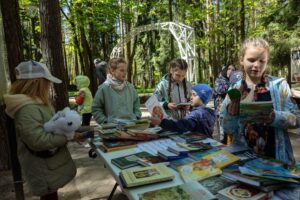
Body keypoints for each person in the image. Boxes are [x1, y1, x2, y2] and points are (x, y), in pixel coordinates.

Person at [4, 60, 80, 200]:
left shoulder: (36, 103)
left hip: (50, 165)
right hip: (43, 168)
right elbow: (38, 141)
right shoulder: (26, 109)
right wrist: (68, 137)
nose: (49, 86)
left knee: (51, 195)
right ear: (37, 83)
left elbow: (51, 126)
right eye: (47, 82)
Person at [220, 38, 299, 166]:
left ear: (267, 62)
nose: (256, 65)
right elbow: (227, 128)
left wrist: (275, 117)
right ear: (241, 59)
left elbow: (297, 119)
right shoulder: (234, 90)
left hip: (276, 160)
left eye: (262, 61)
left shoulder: (279, 86)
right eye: (251, 60)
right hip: (244, 161)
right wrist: (231, 115)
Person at [151, 84, 217, 138]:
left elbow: (181, 126)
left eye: (194, 95)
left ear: (203, 97)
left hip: (199, 145)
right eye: (191, 94)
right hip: (208, 142)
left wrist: (161, 122)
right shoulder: (210, 112)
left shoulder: (196, 114)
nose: (191, 97)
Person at [92, 57, 141, 124]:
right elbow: (96, 108)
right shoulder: (104, 88)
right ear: (112, 71)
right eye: (121, 70)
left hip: (131, 126)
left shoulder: (130, 87)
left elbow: (136, 104)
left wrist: (136, 116)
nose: (125, 73)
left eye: (126, 70)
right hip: (112, 129)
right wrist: (105, 122)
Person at [214, 63, 236, 143]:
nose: (230, 71)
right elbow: (220, 90)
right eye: (229, 69)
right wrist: (232, 83)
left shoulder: (235, 81)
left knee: (230, 136)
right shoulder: (219, 80)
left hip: (231, 111)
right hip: (221, 111)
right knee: (222, 136)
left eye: (233, 70)